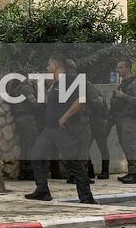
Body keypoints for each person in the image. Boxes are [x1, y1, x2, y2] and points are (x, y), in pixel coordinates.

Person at [25, 55, 96, 205]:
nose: (47, 68)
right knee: (36, 155)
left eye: (49, 65)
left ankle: (86, 197)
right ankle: (42, 190)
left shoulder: (70, 79)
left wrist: (65, 117)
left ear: (56, 65)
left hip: (64, 128)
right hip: (50, 128)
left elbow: (80, 101)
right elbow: (46, 101)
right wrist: (40, 85)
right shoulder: (57, 83)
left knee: (74, 162)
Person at [109, 59, 136, 183]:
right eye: (117, 67)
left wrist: (122, 96)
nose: (118, 70)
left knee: (130, 146)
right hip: (120, 118)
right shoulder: (123, 84)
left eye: (120, 67)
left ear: (128, 68)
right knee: (125, 145)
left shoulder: (135, 83)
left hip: (129, 119)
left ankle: (134, 174)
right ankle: (130, 172)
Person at [6, 77, 40, 181]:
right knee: (32, 144)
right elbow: (34, 103)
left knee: (24, 146)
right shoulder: (25, 88)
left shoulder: (13, 89)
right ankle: (31, 171)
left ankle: (24, 171)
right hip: (27, 118)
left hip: (18, 118)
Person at [75, 83, 111, 182]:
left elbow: (97, 107)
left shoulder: (92, 95)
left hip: (96, 122)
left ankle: (98, 171)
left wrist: (85, 110)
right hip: (99, 122)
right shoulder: (96, 93)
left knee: (97, 147)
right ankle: (98, 171)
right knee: (97, 147)